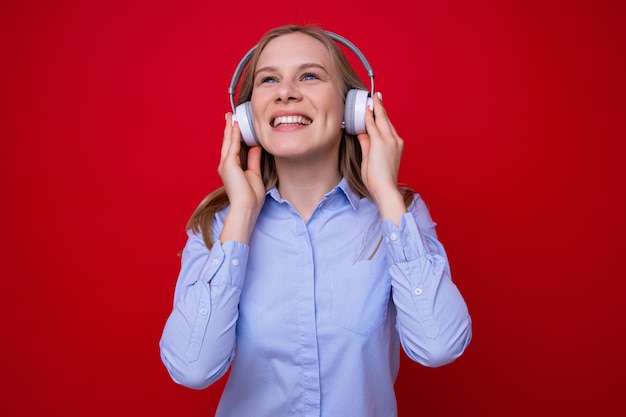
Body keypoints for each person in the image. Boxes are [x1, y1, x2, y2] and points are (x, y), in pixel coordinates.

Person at [159, 24, 472, 417]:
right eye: (268, 79)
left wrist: (387, 194)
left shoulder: (399, 214)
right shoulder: (217, 226)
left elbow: (438, 345)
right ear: (247, 117)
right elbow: (192, 369)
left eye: (309, 75)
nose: (285, 91)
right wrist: (240, 217)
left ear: (354, 109)